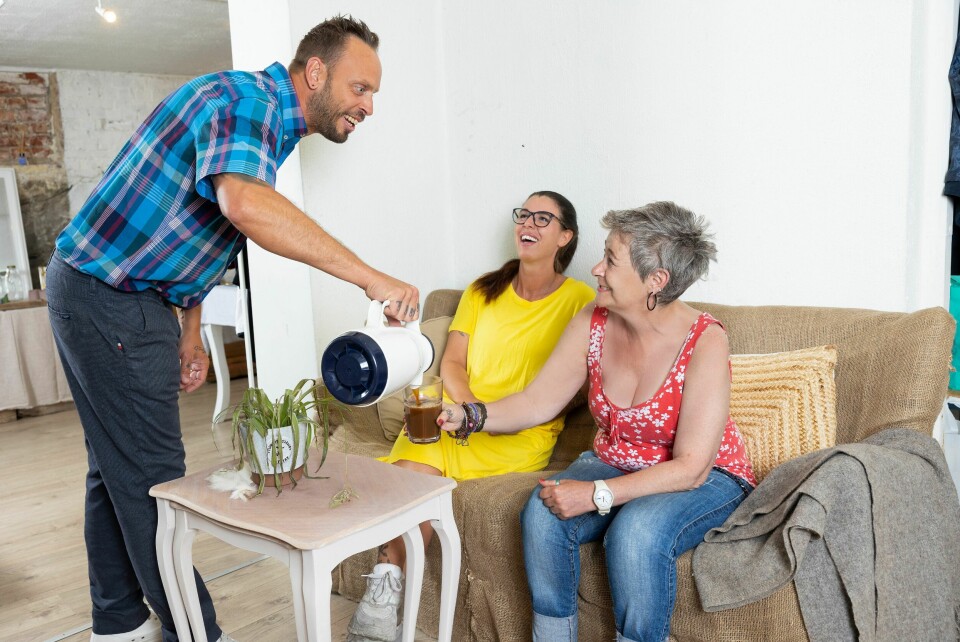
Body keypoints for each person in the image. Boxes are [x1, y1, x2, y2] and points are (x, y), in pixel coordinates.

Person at [45, 16, 419, 642]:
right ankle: (201, 635)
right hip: (108, 296)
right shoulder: (247, 101)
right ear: (316, 71)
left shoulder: (263, 119)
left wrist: (189, 327)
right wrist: (369, 278)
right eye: (360, 88)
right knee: (157, 485)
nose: (369, 106)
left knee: (113, 465)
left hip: (105, 289)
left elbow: (198, 226)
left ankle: (117, 621)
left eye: (374, 94)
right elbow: (243, 205)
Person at [437, 201, 757, 642]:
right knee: (543, 512)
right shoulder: (594, 319)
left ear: (656, 281)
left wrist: (597, 494)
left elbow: (692, 466)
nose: (596, 268)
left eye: (610, 260)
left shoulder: (705, 340)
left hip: (705, 477)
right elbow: (536, 402)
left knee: (636, 535)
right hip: (619, 458)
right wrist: (470, 414)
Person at [345, 191, 595, 642]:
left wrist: (487, 416)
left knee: (419, 475)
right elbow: (453, 364)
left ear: (565, 236)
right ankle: (383, 600)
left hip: (519, 429)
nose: (529, 224)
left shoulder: (581, 301)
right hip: (457, 414)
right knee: (413, 478)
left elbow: (574, 386)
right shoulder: (484, 289)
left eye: (544, 218)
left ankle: (382, 604)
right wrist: (465, 410)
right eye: (524, 215)